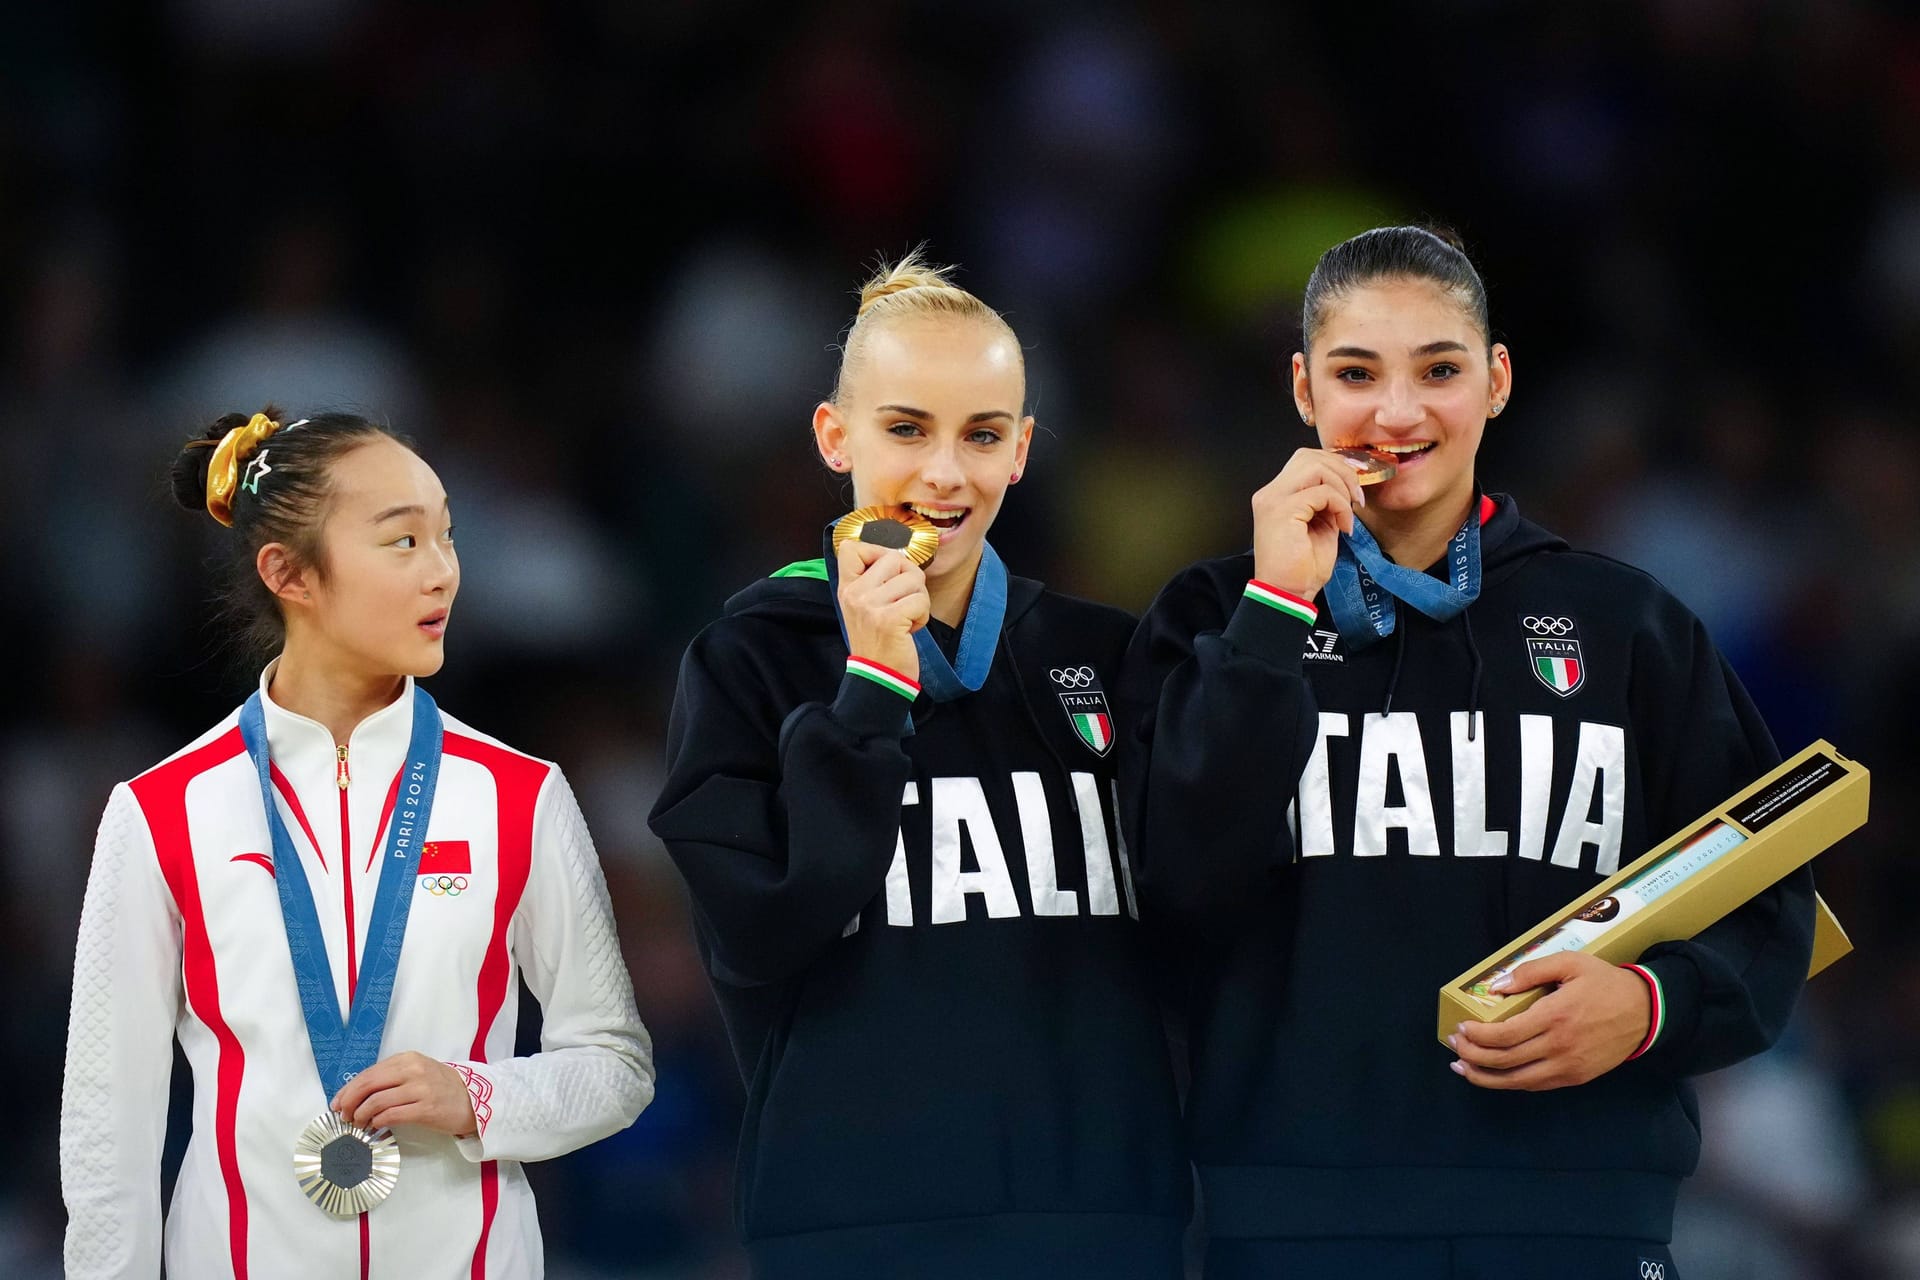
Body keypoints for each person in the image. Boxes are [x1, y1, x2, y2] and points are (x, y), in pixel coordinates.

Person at [1118, 226, 1814, 1280]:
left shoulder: (1625, 622)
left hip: (1580, 1213)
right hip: (1295, 1219)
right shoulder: (1210, 618)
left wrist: (1650, 1004)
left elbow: (1767, 886)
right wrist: (1271, 614)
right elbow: (1169, 888)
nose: (1398, 413)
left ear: (1495, 381)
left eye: (1439, 369)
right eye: (1357, 372)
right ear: (1303, 388)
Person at [649, 253, 1188, 1279]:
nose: (945, 471)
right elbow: (760, 935)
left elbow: (1200, 910)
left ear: (1023, 449)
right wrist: (871, 693)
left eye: (982, 433)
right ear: (833, 434)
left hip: (1104, 1215)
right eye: (906, 429)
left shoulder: (1109, 655)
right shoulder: (749, 660)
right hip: (855, 1224)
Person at [61, 409, 655, 1278]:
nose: (443, 572)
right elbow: (107, 1124)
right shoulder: (163, 811)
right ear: (290, 574)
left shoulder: (517, 797)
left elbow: (614, 1063)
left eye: (446, 536)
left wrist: (482, 1096)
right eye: (403, 541)